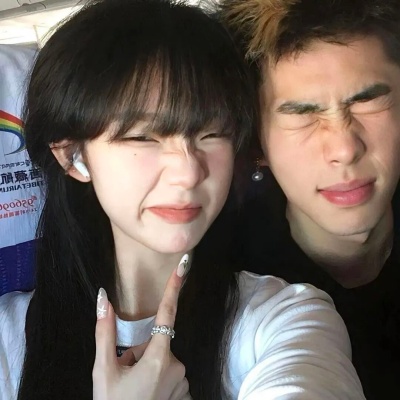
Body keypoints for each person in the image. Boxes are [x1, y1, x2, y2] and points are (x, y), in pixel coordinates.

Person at [0, 0, 364, 399]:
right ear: (73, 156)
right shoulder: (8, 338)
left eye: (212, 134)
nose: (189, 173)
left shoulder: (283, 321)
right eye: (143, 137)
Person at [219, 0, 400, 398]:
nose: (344, 149)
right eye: (302, 114)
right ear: (257, 145)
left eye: (367, 100)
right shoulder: (227, 286)